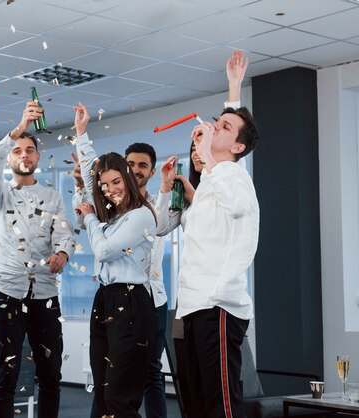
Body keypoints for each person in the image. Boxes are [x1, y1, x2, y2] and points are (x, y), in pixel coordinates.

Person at [156, 49, 250, 418]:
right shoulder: (204, 190)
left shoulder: (235, 177)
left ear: (237, 149)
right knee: (194, 405)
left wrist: (234, 88)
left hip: (219, 305)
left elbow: (233, 198)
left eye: (222, 129)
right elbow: (164, 226)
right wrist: (170, 190)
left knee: (221, 406)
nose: (212, 131)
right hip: (191, 307)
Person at [0, 101, 75, 418]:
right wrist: (19, 128)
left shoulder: (52, 196)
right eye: (18, 150)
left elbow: (64, 232)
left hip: (45, 295)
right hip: (6, 291)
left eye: (29, 150)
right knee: (6, 376)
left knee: (50, 374)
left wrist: (63, 251)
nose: (24, 155)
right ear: (10, 158)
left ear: (37, 157)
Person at [73, 103, 157, 418]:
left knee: (122, 398)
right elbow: (89, 175)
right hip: (105, 298)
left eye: (116, 183)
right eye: (105, 186)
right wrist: (82, 135)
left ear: (129, 179)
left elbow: (104, 251)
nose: (110, 190)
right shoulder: (111, 215)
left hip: (132, 303)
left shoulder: (141, 215)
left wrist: (92, 219)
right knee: (105, 392)